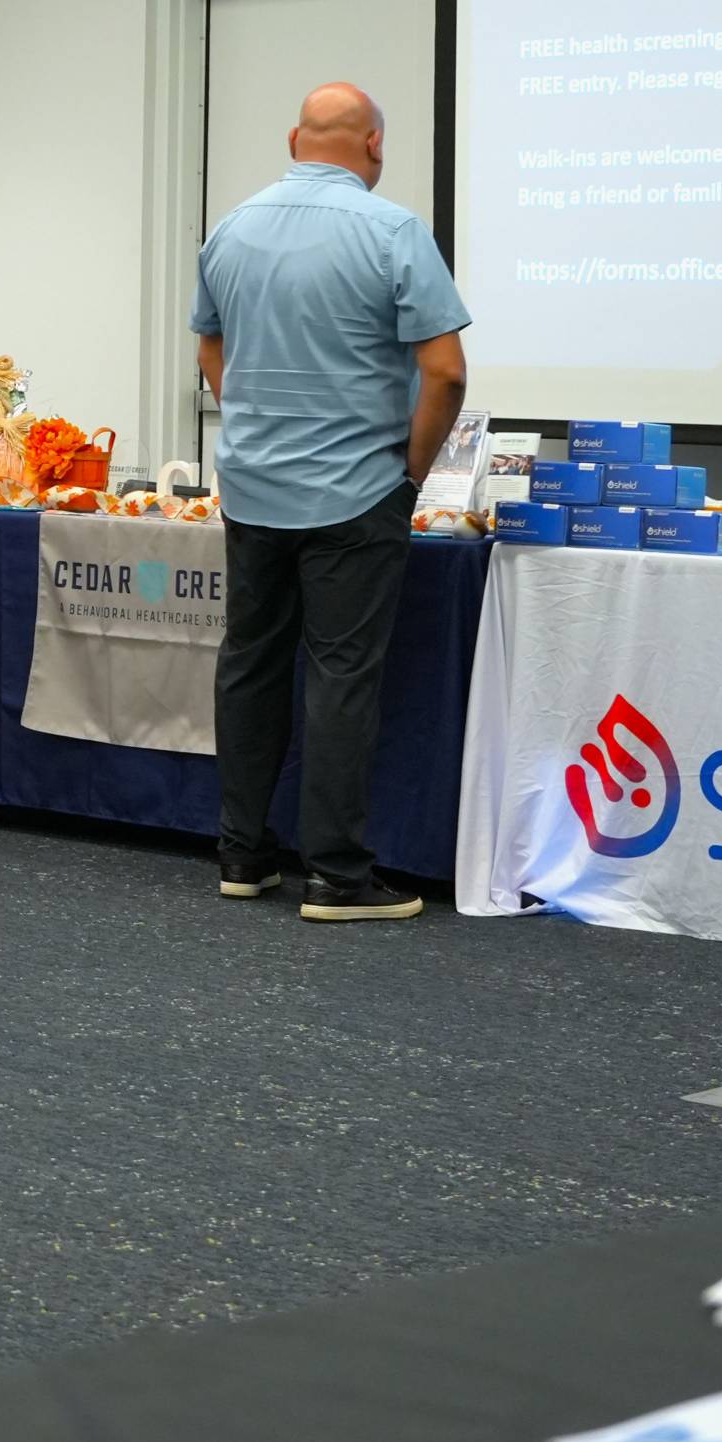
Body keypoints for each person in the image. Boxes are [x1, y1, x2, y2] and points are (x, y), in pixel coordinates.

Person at [194, 82, 470, 925]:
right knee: (341, 678)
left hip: (252, 488)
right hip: (354, 492)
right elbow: (447, 372)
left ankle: (242, 855)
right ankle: (338, 876)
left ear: (293, 139)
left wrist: (250, 421)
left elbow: (211, 346)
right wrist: (409, 476)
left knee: (251, 665)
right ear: (375, 146)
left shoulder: (230, 227)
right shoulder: (393, 232)